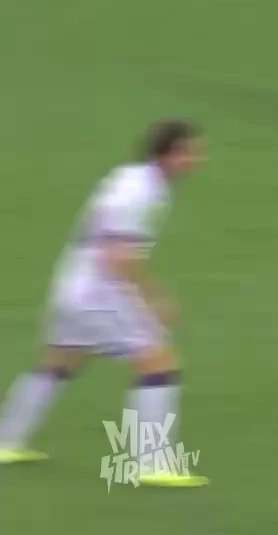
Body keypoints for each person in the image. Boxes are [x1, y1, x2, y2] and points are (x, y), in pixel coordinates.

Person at [0, 119, 208, 488]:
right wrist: (154, 298)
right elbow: (118, 257)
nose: (198, 159)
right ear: (169, 154)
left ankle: (6, 441)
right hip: (102, 293)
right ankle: (153, 463)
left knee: (58, 363)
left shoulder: (130, 179)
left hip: (73, 286)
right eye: (191, 152)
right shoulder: (140, 192)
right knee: (158, 361)